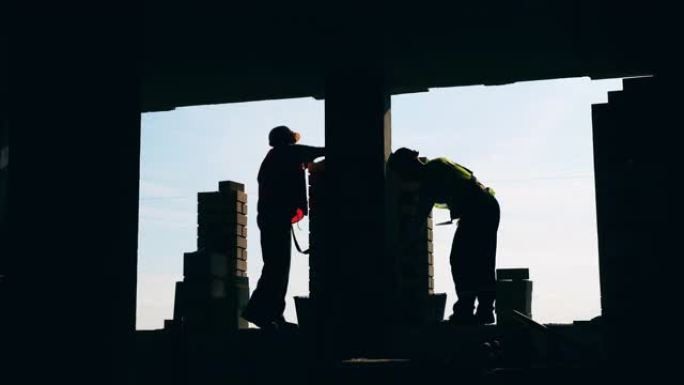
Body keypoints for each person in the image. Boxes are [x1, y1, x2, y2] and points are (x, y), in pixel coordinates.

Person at [387, 147, 500, 325]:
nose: (405, 179)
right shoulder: (437, 167)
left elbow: (420, 215)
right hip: (483, 207)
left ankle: (468, 310)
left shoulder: (431, 174)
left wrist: (403, 244)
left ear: (408, 167)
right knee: (479, 259)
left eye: (403, 174)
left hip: (479, 209)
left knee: (461, 259)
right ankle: (482, 311)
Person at [241, 125, 325, 330]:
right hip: (276, 219)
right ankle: (259, 312)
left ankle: (272, 314)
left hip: (271, 218)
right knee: (277, 268)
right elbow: (315, 151)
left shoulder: (273, 158)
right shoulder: (286, 153)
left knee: (276, 267)